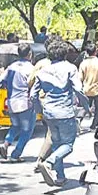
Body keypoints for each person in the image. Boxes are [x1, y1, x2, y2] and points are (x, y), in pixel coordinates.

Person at [31, 40, 89, 187]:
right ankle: (49, 163)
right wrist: (86, 106)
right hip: (65, 112)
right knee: (68, 145)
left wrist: (39, 110)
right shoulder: (70, 68)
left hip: (49, 112)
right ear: (65, 53)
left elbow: (33, 94)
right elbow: (79, 90)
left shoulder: (43, 71)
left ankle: (60, 177)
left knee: (57, 144)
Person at [0, 43, 37, 162]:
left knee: (15, 126)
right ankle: (15, 154)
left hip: (11, 102)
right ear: (29, 54)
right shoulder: (31, 68)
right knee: (27, 130)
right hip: (24, 103)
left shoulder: (11, 66)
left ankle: (6, 143)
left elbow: (0, 81)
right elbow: (34, 85)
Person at [78, 44, 98, 130]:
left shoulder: (83, 63)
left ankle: (78, 121)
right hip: (97, 89)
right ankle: (94, 125)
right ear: (96, 52)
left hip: (86, 89)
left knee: (85, 107)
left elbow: (80, 78)